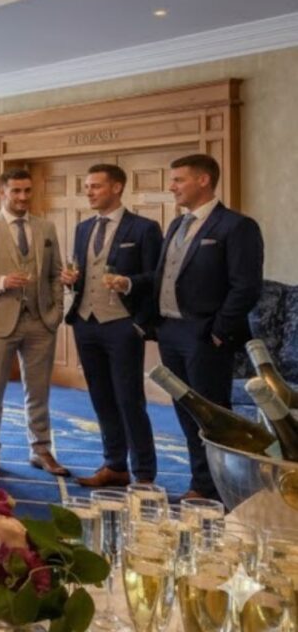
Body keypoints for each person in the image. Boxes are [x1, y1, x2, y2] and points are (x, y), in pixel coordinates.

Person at [148, 153, 263, 500]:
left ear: (203, 180)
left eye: (178, 180)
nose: (172, 187)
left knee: (212, 415)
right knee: (185, 412)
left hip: (205, 335)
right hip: (170, 331)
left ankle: (224, 488)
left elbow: (246, 285)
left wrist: (218, 330)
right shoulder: (175, 225)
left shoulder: (236, 226)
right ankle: (202, 483)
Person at [60, 164, 162, 488]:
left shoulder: (144, 228)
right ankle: (114, 465)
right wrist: (70, 281)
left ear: (117, 188)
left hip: (122, 324)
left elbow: (156, 278)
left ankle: (144, 474)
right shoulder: (83, 228)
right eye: (86, 186)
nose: (88, 192)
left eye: (95, 186)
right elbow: (82, 273)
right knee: (101, 397)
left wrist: (128, 283)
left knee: (129, 399)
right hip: (85, 323)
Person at [0, 169, 66, 477]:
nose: (22, 197)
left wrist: (56, 311)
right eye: (16, 191)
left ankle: (41, 450)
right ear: (2, 193)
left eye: (26, 191)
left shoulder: (46, 228)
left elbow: (56, 273)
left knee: (39, 391)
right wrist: (2, 281)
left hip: (40, 322)